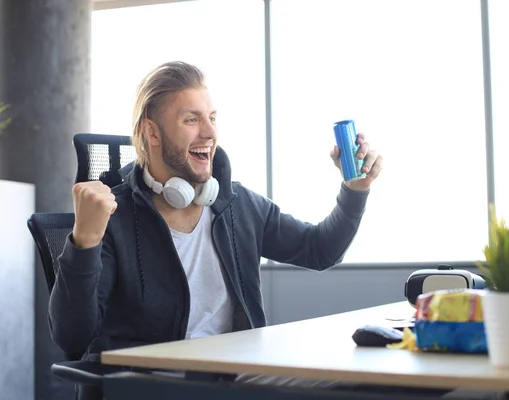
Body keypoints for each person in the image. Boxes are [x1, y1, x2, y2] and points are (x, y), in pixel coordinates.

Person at [49, 61, 383, 399]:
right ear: (152, 132)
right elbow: (72, 336)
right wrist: (84, 242)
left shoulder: (237, 204)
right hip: (155, 386)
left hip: (236, 377)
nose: (209, 133)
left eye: (212, 117)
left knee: (370, 384)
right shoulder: (113, 219)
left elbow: (320, 250)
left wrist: (355, 189)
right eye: (191, 120)